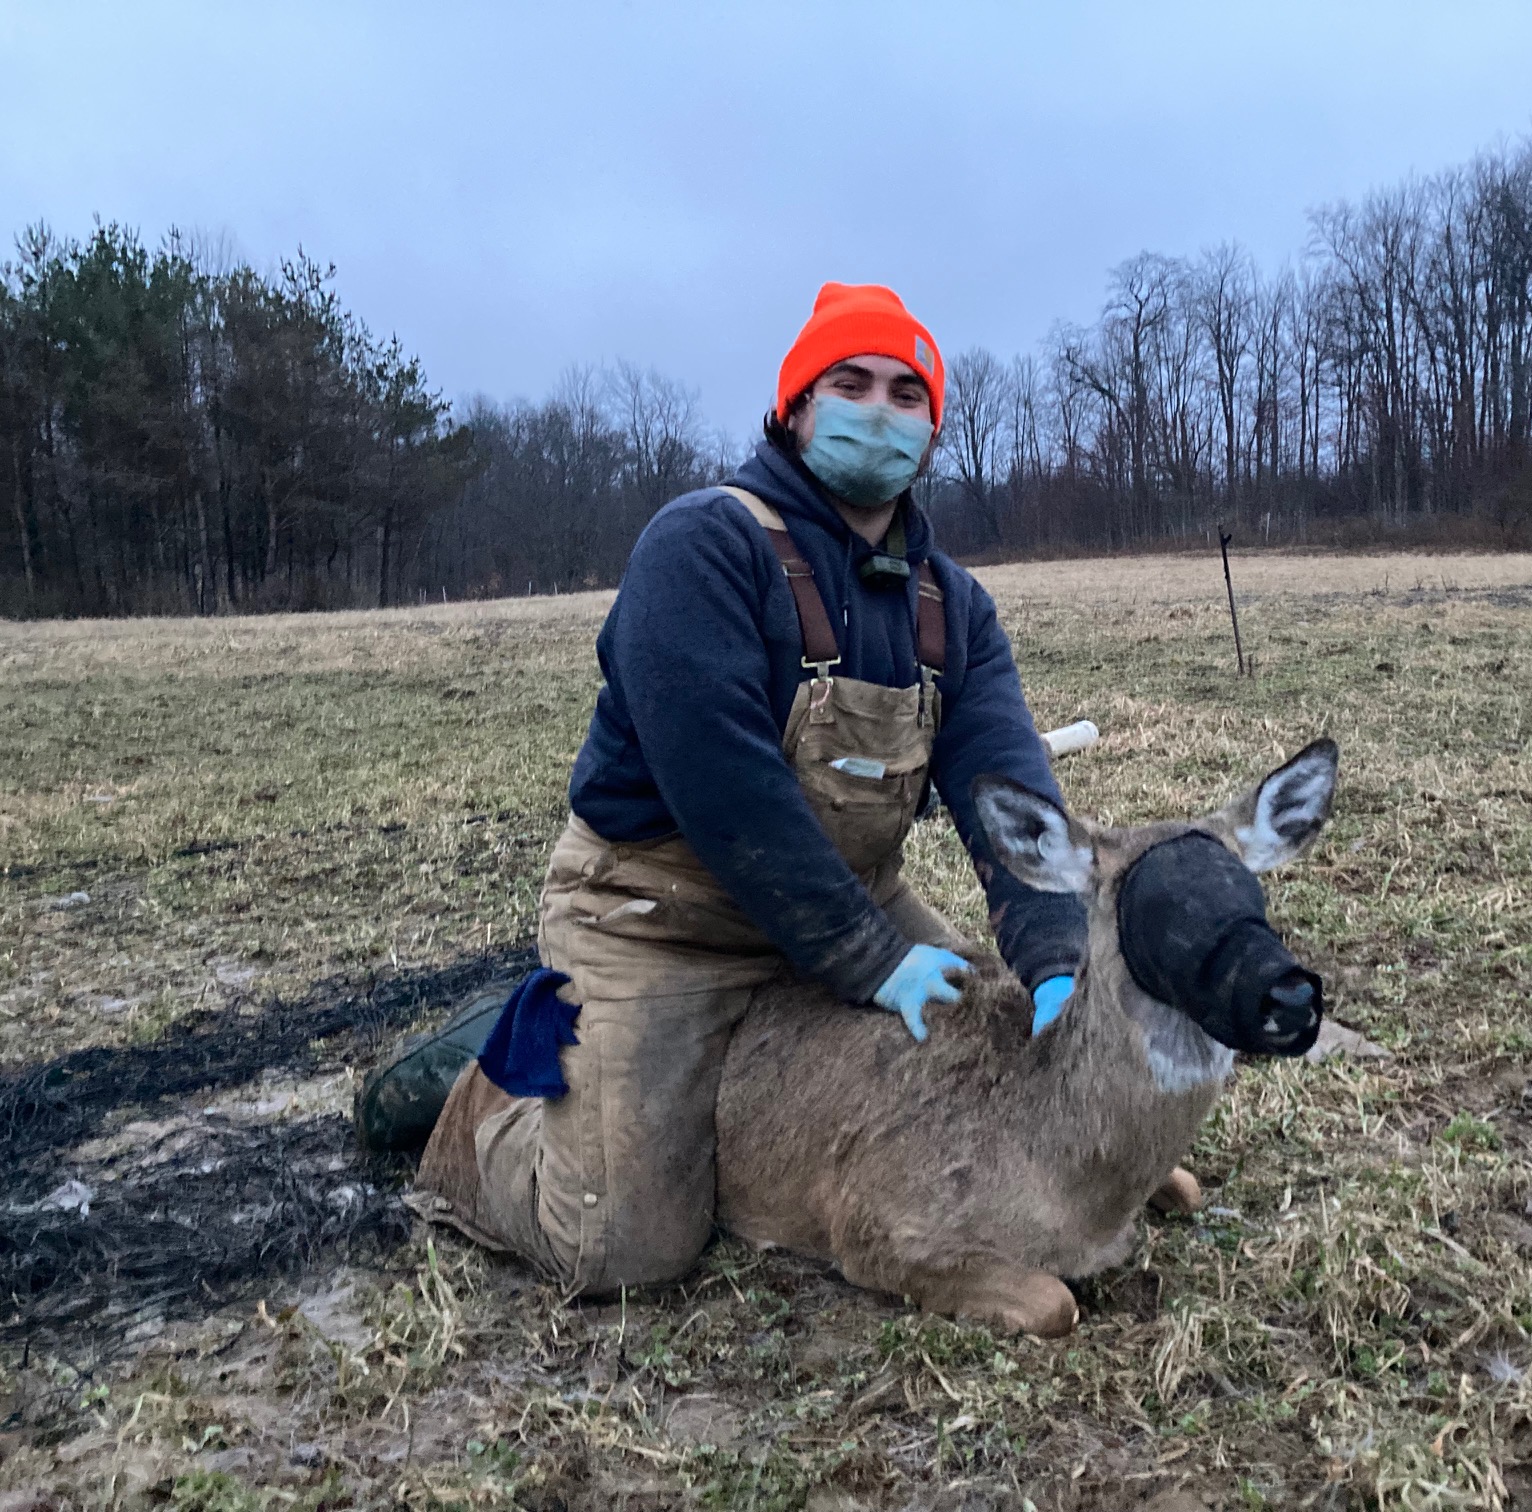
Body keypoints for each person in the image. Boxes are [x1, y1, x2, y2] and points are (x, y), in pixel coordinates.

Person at [357, 283, 1087, 1296]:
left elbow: (1006, 783)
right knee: (623, 1247)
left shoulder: (950, 607)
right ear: (795, 406)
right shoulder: (703, 545)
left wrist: (1055, 955)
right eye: (850, 383)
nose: (879, 410)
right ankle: (491, 1087)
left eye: (906, 394)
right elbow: (723, 783)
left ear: (932, 434)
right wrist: (873, 962)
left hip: (848, 904)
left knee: (998, 1043)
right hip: (660, 922)